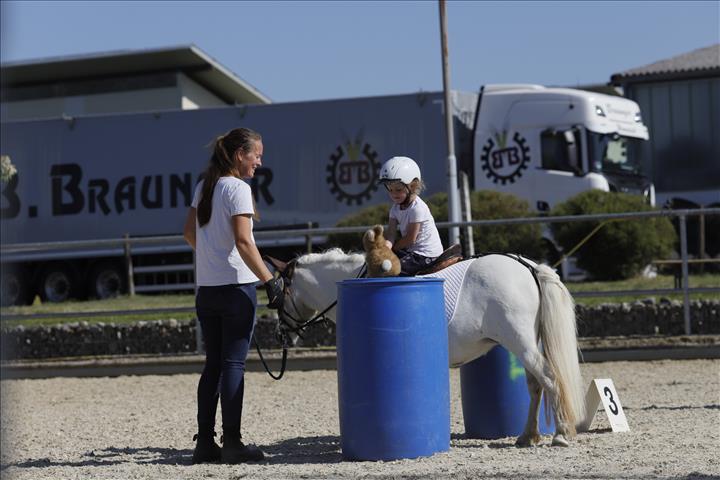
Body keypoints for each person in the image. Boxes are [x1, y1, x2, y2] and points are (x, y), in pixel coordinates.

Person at [183, 127, 284, 464]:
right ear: (240, 154)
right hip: (236, 290)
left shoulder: (205, 186)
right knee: (233, 365)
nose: (260, 161)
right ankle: (233, 443)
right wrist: (270, 280)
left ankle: (205, 444)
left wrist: (211, 256)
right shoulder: (238, 189)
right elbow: (243, 241)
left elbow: (188, 232)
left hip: (207, 290)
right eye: (257, 155)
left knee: (213, 364)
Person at [379, 156, 444, 276]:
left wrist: (394, 248)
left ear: (413, 186)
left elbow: (411, 238)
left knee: (393, 270)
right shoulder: (395, 209)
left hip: (426, 254)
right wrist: (386, 248)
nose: (393, 194)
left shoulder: (417, 208)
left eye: (398, 190)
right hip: (412, 251)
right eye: (390, 190)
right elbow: (391, 234)